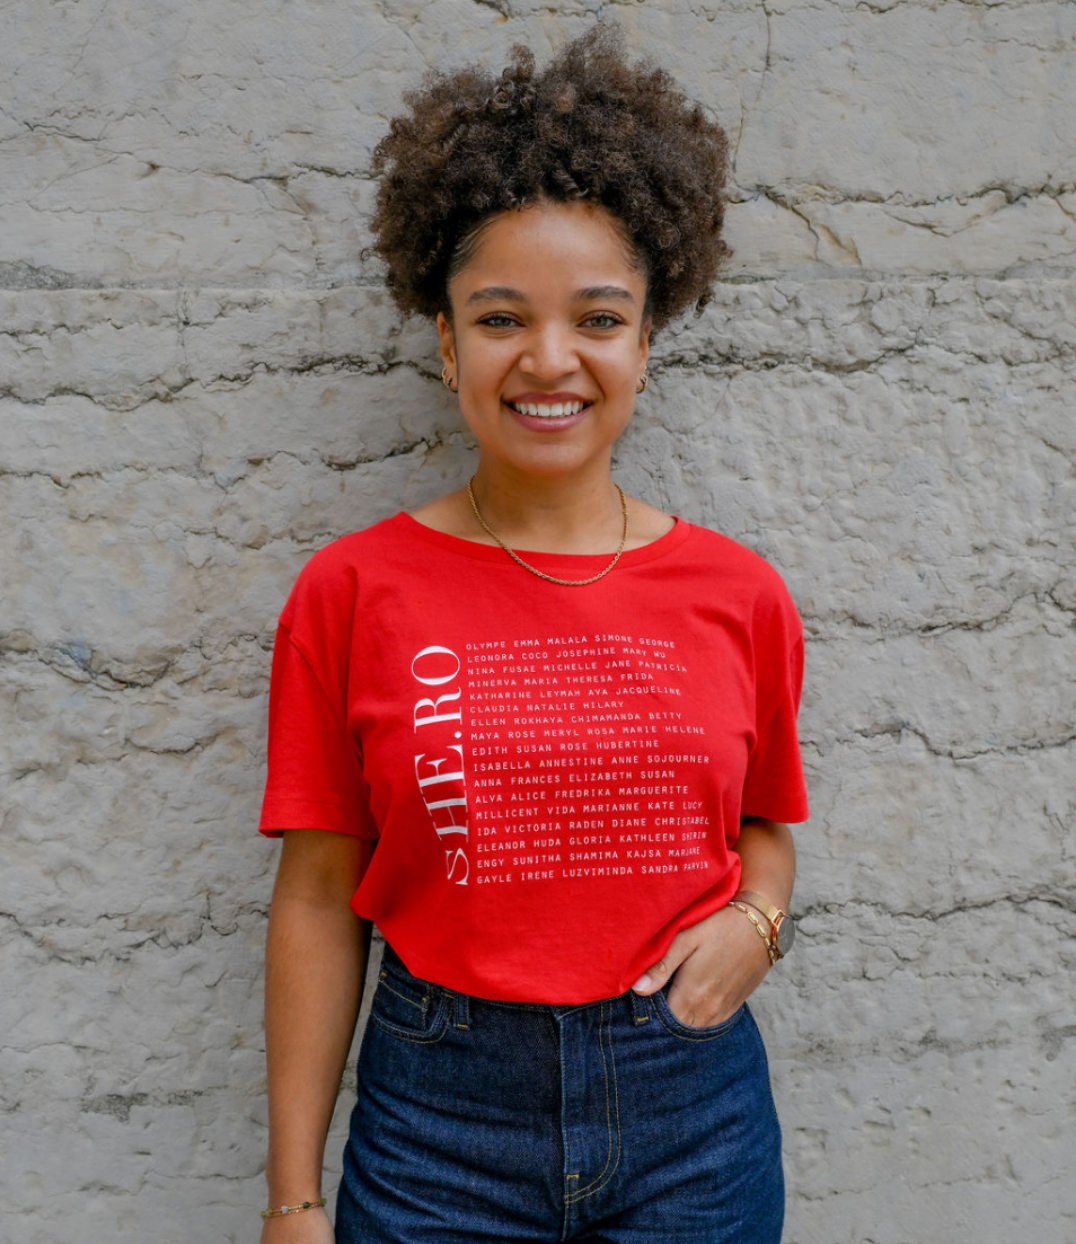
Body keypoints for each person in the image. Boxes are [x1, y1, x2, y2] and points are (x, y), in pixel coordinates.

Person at [257, 25, 807, 1244]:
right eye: (500, 317)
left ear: (646, 341)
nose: (548, 359)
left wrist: (757, 925)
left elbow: (763, 822)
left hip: (692, 1113)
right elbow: (315, 896)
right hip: (436, 1119)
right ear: (446, 341)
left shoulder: (740, 592)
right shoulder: (351, 590)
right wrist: (293, 1195)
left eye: (597, 318)